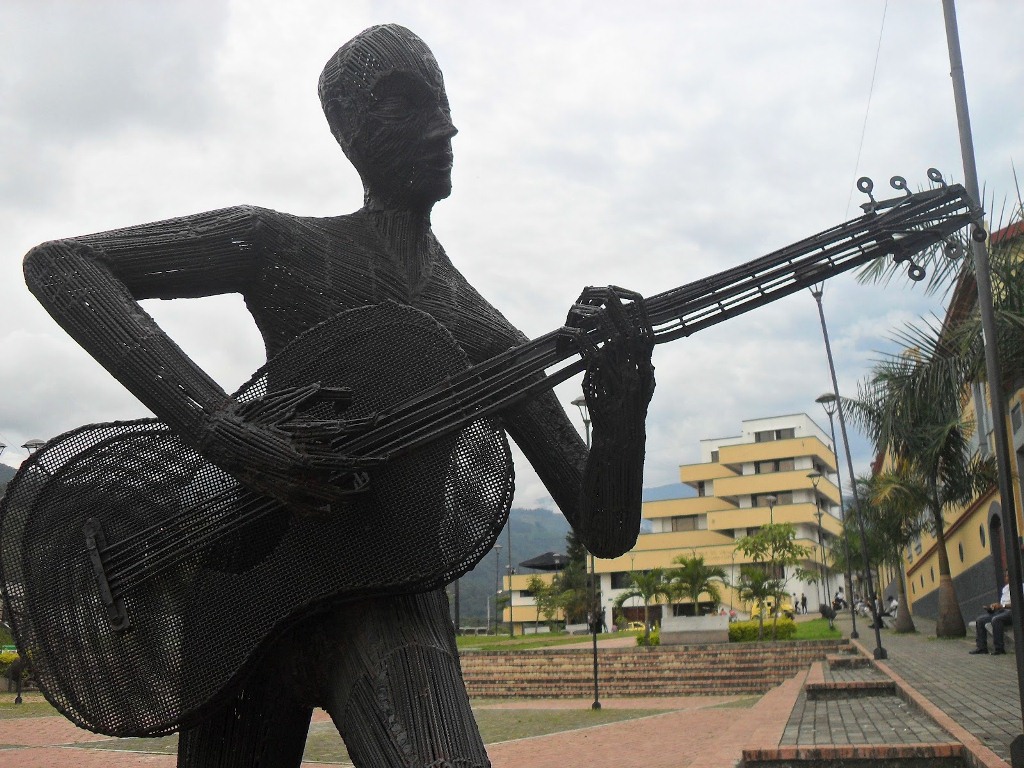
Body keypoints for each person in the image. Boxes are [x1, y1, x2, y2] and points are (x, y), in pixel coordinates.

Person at [22, 24, 655, 768]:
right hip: (242, 594)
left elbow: (604, 528)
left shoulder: (486, 336)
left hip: (389, 606)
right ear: (349, 128)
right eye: (407, 103)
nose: (444, 128)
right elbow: (63, 267)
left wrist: (622, 408)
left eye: (443, 104)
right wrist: (223, 431)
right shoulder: (283, 246)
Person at [971, 570, 1012, 656]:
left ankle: (999, 649)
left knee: (996, 620)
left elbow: (1017, 604)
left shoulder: (1021, 587)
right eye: (1006, 576)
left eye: (1008, 575)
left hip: (1012, 612)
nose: (1007, 578)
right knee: (980, 620)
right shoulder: (1005, 589)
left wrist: (1002, 606)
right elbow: (1001, 605)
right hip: (1001, 611)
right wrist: (992, 608)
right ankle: (981, 648)